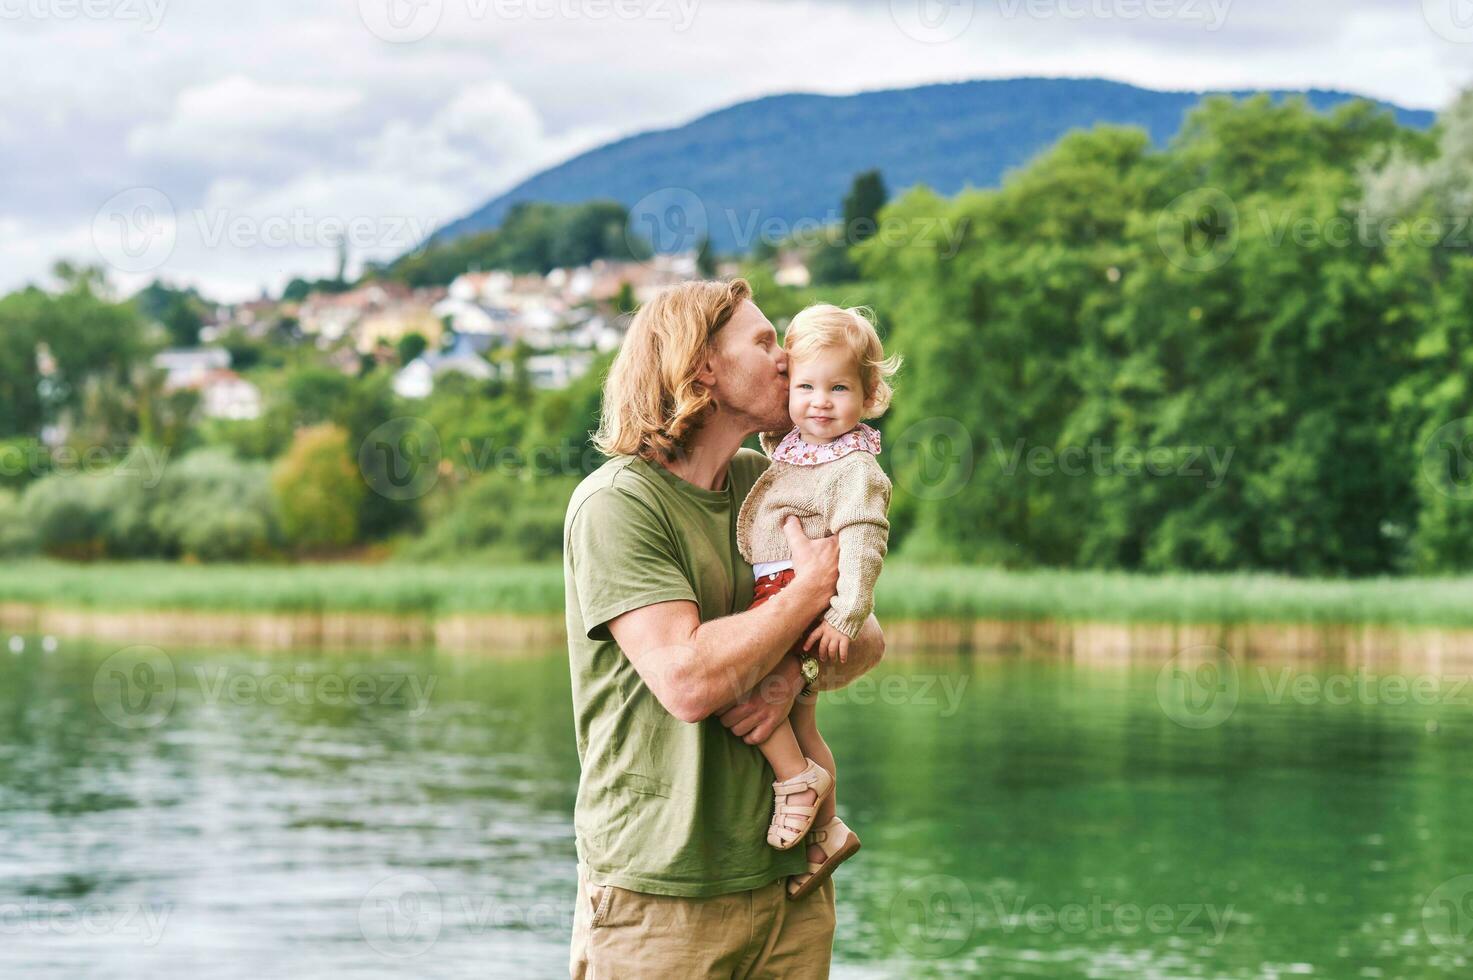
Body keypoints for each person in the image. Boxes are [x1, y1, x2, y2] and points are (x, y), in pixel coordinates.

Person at [563, 278, 886, 978]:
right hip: (663, 896)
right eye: (765, 341)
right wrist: (805, 595)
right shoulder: (619, 504)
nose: (784, 358)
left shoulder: (766, 480)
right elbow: (687, 680)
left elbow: (862, 644)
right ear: (703, 365)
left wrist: (786, 678)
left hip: (790, 881)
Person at [736, 303, 901, 901]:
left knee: (755, 695)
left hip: (801, 598)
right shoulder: (798, 444)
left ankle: (795, 780)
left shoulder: (855, 466)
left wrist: (845, 613)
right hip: (781, 587)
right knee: (801, 717)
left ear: (868, 393)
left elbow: (863, 541)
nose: (820, 402)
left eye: (838, 388)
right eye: (804, 386)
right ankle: (828, 829)